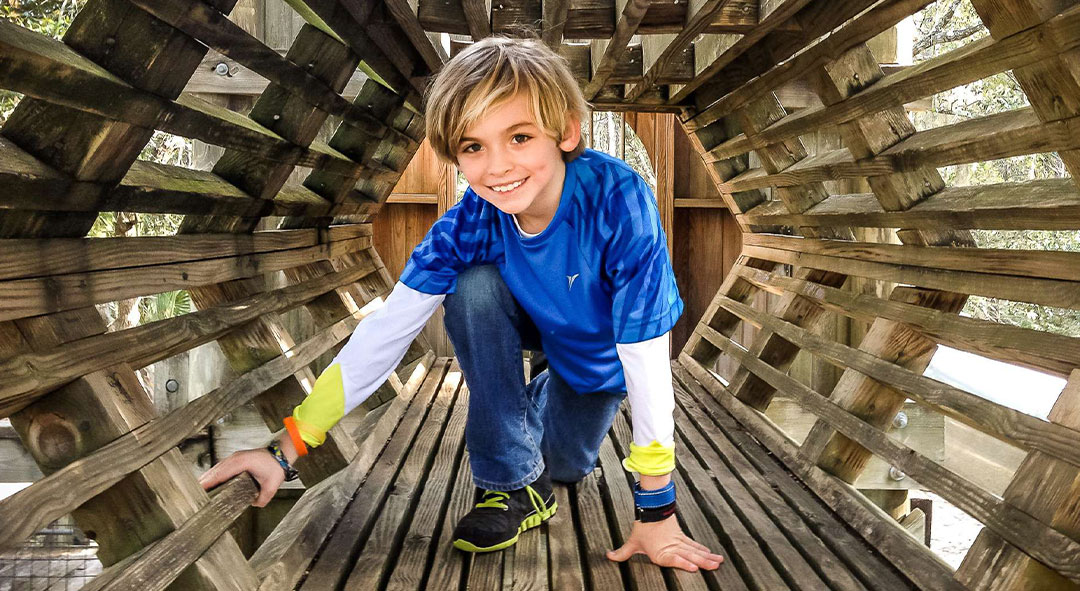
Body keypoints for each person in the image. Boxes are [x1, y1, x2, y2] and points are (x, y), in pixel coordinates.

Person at [199, 35, 724, 573]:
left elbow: (642, 351)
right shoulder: (473, 220)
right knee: (472, 286)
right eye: (473, 147)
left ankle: (545, 394)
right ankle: (510, 485)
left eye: (519, 136)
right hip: (532, 316)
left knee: (564, 465)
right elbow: (387, 330)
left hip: (598, 361)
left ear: (566, 131)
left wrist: (656, 507)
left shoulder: (618, 201)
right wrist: (285, 449)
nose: (496, 166)